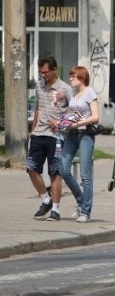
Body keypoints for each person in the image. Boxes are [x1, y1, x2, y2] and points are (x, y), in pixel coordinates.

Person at [28, 55, 73, 221]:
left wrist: (61, 123)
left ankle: (55, 209)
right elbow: (38, 109)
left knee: (55, 172)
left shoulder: (65, 89)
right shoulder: (39, 86)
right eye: (41, 72)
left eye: (46, 72)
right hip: (38, 134)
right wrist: (32, 131)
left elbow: (74, 113)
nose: (43, 75)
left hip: (57, 137)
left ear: (55, 70)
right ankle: (45, 200)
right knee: (31, 168)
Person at [59, 66, 100, 223]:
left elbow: (95, 117)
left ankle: (85, 212)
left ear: (82, 78)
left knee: (85, 174)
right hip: (71, 134)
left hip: (85, 135)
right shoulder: (72, 93)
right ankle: (81, 200)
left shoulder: (90, 93)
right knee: (63, 169)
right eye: (70, 76)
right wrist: (64, 121)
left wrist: (78, 124)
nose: (70, 79)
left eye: (73, 76)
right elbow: (71, 112)